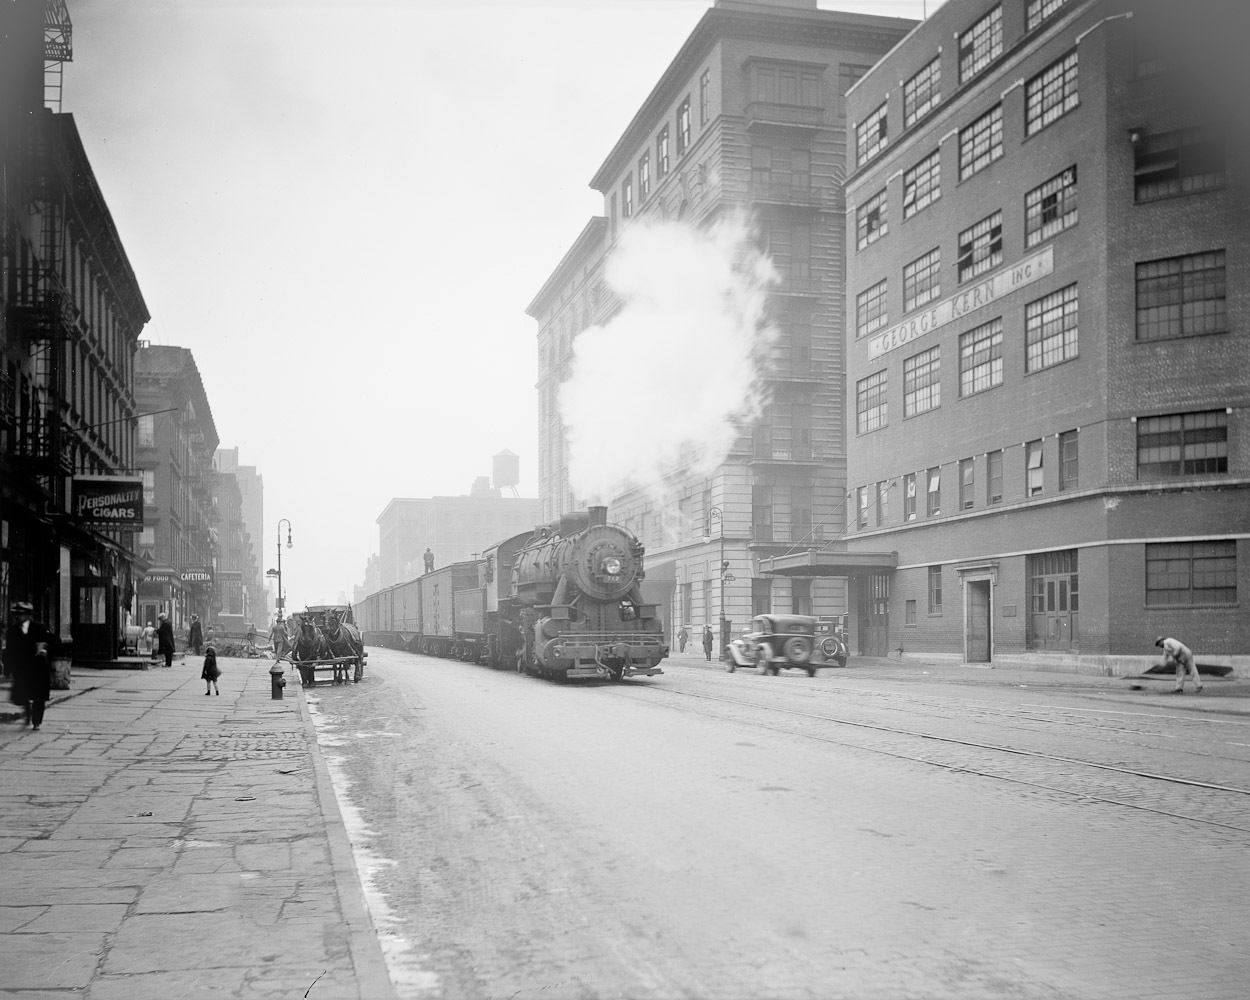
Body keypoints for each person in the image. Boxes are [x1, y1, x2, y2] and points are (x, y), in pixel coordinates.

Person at [4, 602, 54, 731]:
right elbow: (9, 651)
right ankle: (28, 713)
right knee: (22, 694)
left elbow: (52, 642)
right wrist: (8, 669)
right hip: (22, 668)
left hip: (38, 668)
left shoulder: (40, 628)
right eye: (16, 615)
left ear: (28, 616)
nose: (18, 617)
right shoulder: (12, 631)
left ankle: (36, 721)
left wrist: (45, 649)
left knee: (39, 697)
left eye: (21, 615)